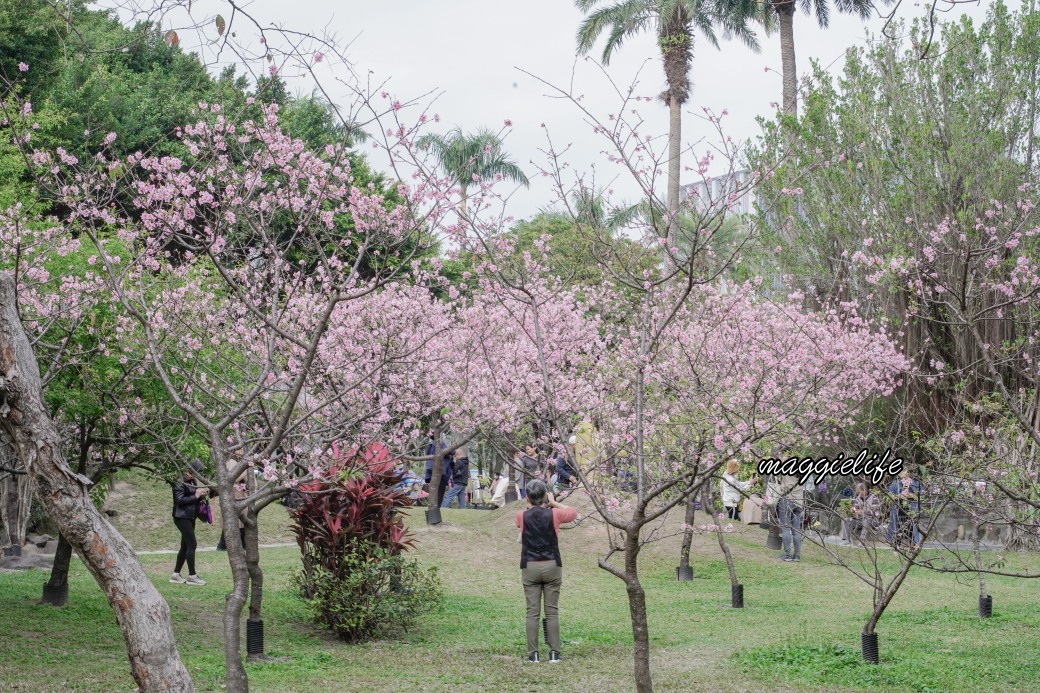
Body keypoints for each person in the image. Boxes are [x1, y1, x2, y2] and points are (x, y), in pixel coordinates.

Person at [516, 479, 577, 663]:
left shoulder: (520, 515)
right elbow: (573, 513)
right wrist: (553, 502)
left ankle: (533, 654)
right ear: (544, 496)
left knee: (532, 612)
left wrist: (530, 504)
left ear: (527, 497)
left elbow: (523, 524)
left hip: (530, 566)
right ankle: (554, 653)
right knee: (552, 611)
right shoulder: (555, 514)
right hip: (552, 564)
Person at [171, 459, 209, 585]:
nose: (198, 474)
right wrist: (196, 496)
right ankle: (192, 576)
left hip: (190, 516)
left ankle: (175, 574)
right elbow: (180, 500)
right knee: (192, 544)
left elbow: (193, 498)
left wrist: (202, 495)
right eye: (197, 472)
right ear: (189, 470)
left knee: (185, 546)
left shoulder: (192, 481)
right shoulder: (179, 482)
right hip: (181, 517)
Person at [887, 469, 923, 548]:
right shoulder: (896, 483)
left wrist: (911, 495)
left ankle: (915, 544)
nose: (900, 473)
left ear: (908, 473)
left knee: (912, 526)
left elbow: (921, 496)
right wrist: (898, 496)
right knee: (898, 526)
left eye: (903, 471)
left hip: (912, 508)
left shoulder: (916, 483)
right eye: (899, 472)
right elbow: (889, 496)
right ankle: (897, 545)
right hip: (899, 508)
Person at [774, 474, 804, 562]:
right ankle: (797, 555)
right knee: (796, 530)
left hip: (787, 501)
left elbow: (783, 488)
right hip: (799, 504)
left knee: (786, 528)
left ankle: (787, 555)